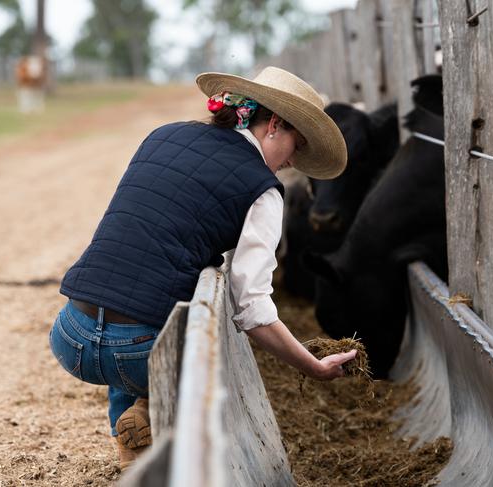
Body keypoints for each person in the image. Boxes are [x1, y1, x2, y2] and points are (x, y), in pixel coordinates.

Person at [48, 66, 357, 470]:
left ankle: (133, 439)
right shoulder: (263, 192)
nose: (292, 162)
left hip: (70, 335)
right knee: (214, 369)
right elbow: (254, 310)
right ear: (274, 125)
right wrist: (311, 366)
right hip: (138, 353)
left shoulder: (163, 135)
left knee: (137, 302)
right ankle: (152, 425)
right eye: (296, 147)